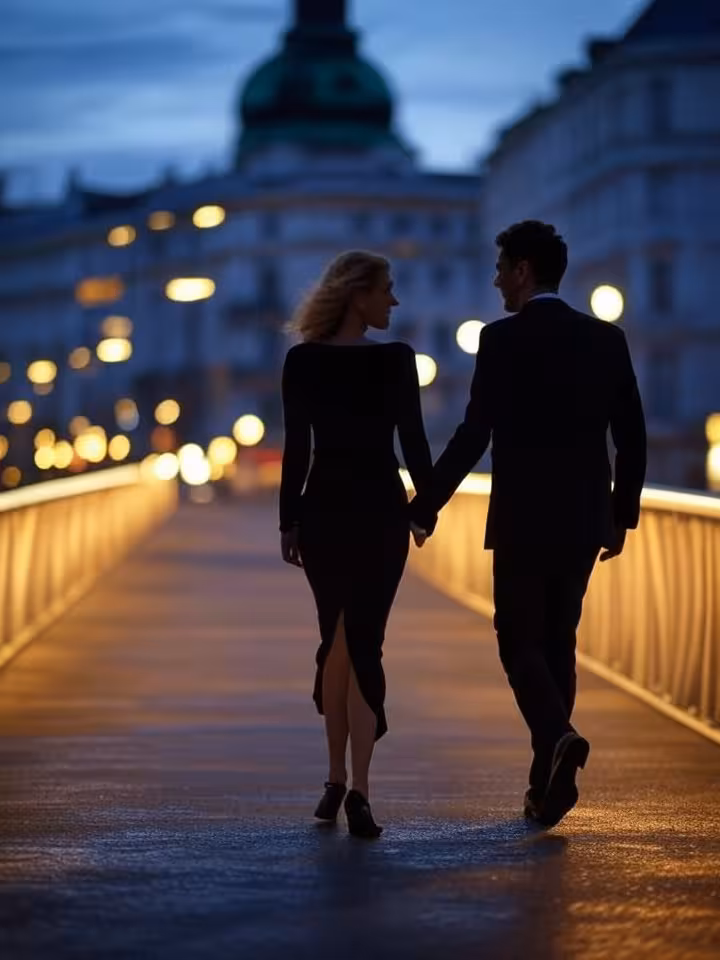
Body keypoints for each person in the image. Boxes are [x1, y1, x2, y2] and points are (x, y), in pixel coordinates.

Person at [409, 220, 647, 828]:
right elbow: (631, 436)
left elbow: (473, 435)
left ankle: (558, 737)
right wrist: (621, 513)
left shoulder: (501, 341)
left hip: (522, 515)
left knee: (517, 640)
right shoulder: (606, 339)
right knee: (558, 640)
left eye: (500, 270)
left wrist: (426, 501)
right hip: (584, 515)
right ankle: (546, 783)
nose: (495, 282)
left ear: (521, 270)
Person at [279, 250, 433, 839]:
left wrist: (425, 506)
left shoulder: (384, 359)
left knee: (356, 640)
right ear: (356, 294)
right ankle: (343, 781)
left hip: (350, 513)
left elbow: (410, 440)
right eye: (386, 290)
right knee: (340, 639)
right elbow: (298, 446)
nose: (393, 301)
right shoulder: (316, 361)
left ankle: (351, 785)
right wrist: (286, 521)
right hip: (354, 512)